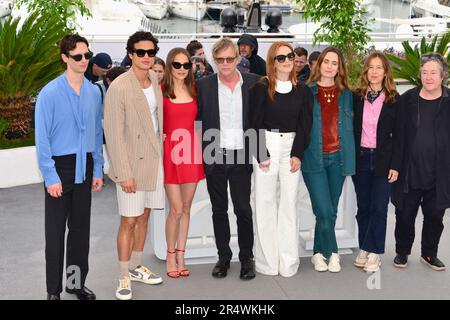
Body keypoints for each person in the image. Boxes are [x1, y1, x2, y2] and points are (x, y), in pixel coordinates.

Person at [35, 34, 104, 300]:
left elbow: (97, 134)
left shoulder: (93, 92)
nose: (84, 60)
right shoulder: (49, 93)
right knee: (54, 236)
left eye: (87, 55)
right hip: (59, 168)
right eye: (78, 56)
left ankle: (75, 284)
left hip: (84, 166)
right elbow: (42, 140)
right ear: (65, 58)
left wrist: (97, 169)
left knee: (79, 233)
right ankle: (53, 291)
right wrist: (50, 175)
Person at [104, 31, 164, 301]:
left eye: (151, 52)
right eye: (141, 52)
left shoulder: (154, 79)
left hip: (153, 160)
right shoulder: (119, 86)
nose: (146, 57)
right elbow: (114, 136)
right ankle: (123, 274)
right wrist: (124, 173)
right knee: (128, 220)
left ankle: (138, 266)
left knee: (144, 216)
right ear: (130, 54)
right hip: (131, 164)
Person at [196, 38, 260, 280]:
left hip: (242, 156)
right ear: (215, 59)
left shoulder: (254, 83)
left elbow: (258, 120)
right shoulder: (203, 86)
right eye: (220, 59)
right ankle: (223, 257)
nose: (225, 63)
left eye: (229, 59)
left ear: (237, 59)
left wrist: (260, 153)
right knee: (219, 209)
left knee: (243, 209)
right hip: (215, 155)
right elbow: (197, 123)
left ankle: (246, 258)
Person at [250, 42, 313, 277]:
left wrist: (297, 153)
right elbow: (252, 122)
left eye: (290, 55)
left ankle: (288, 262)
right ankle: (267, 262)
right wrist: (261, 153)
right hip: (267, 144)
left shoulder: (303, 90)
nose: (287, 60)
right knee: (264, 204)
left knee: (289, 204)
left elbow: (305, 125)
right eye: (281, 57)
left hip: (291, 148)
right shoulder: (261, 87)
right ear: (272, 62)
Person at [391, 52, 450, 271]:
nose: (428, 77)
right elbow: (397, 136)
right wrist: (395, 165)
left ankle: (429, 254)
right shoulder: (407, 100)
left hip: (440, 173)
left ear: (442, 75)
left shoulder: (449, 100)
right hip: (409, 171)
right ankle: (402, 251)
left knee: (435, 217)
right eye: (424, 72)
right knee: (404, 215)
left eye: (433, 72)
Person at [303, 47, 355, 273]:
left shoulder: (347, 94)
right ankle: (332, 252)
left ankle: (317, 253)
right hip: (313, 158)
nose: (330, 66)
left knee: (329, 211)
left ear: (339, 68)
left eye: (335, 63)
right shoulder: (306, 92)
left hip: (339, 158)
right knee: (323, 210)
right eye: (326, 61)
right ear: (319, 64)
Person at [352, 52, 400, 273]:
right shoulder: (356, 96)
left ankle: (375, 252)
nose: (374, 71)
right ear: (366, 71)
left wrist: (396, 165)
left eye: (379, 67)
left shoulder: (394, 99)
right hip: (360, 158)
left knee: (379, 207)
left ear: (385, 71)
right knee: (363, 206)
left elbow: (400, 136)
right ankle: (364, 246)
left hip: (383, 160)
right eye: (371, 67)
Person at [162, 48, 206, 279]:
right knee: (176, 209)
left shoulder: (194, 89)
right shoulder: (161, 91)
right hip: (170, 152)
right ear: (170, 66)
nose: (181, 69)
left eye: (185, 65)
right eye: (176, 65)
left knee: (186, 207)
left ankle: (181, 254)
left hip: (190, 150)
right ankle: (170, 254)